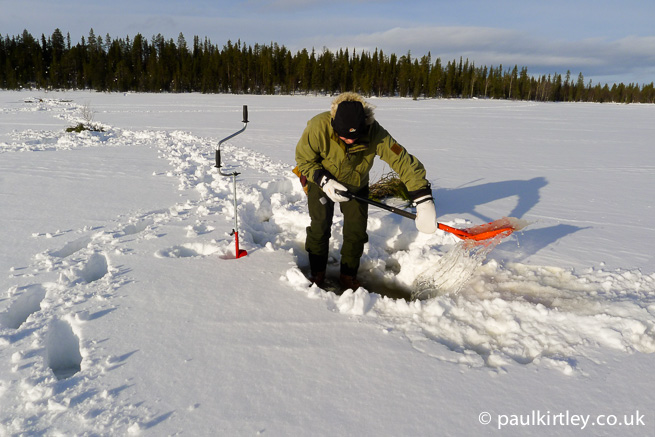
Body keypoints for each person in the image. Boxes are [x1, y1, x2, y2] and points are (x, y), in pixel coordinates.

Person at [294, 92, 437, 290]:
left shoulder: (375, 132)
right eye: (344, 136)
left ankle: (348, 274)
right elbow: (304, 159)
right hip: (321, 182)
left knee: (356, 231)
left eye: (354, 136)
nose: (350, 141)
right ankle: (317, 272)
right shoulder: (318, 126)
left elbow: (403, 161)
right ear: (334, 124)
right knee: (319, 227)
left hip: (356, 185)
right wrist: (324, 181)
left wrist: (423, 198)